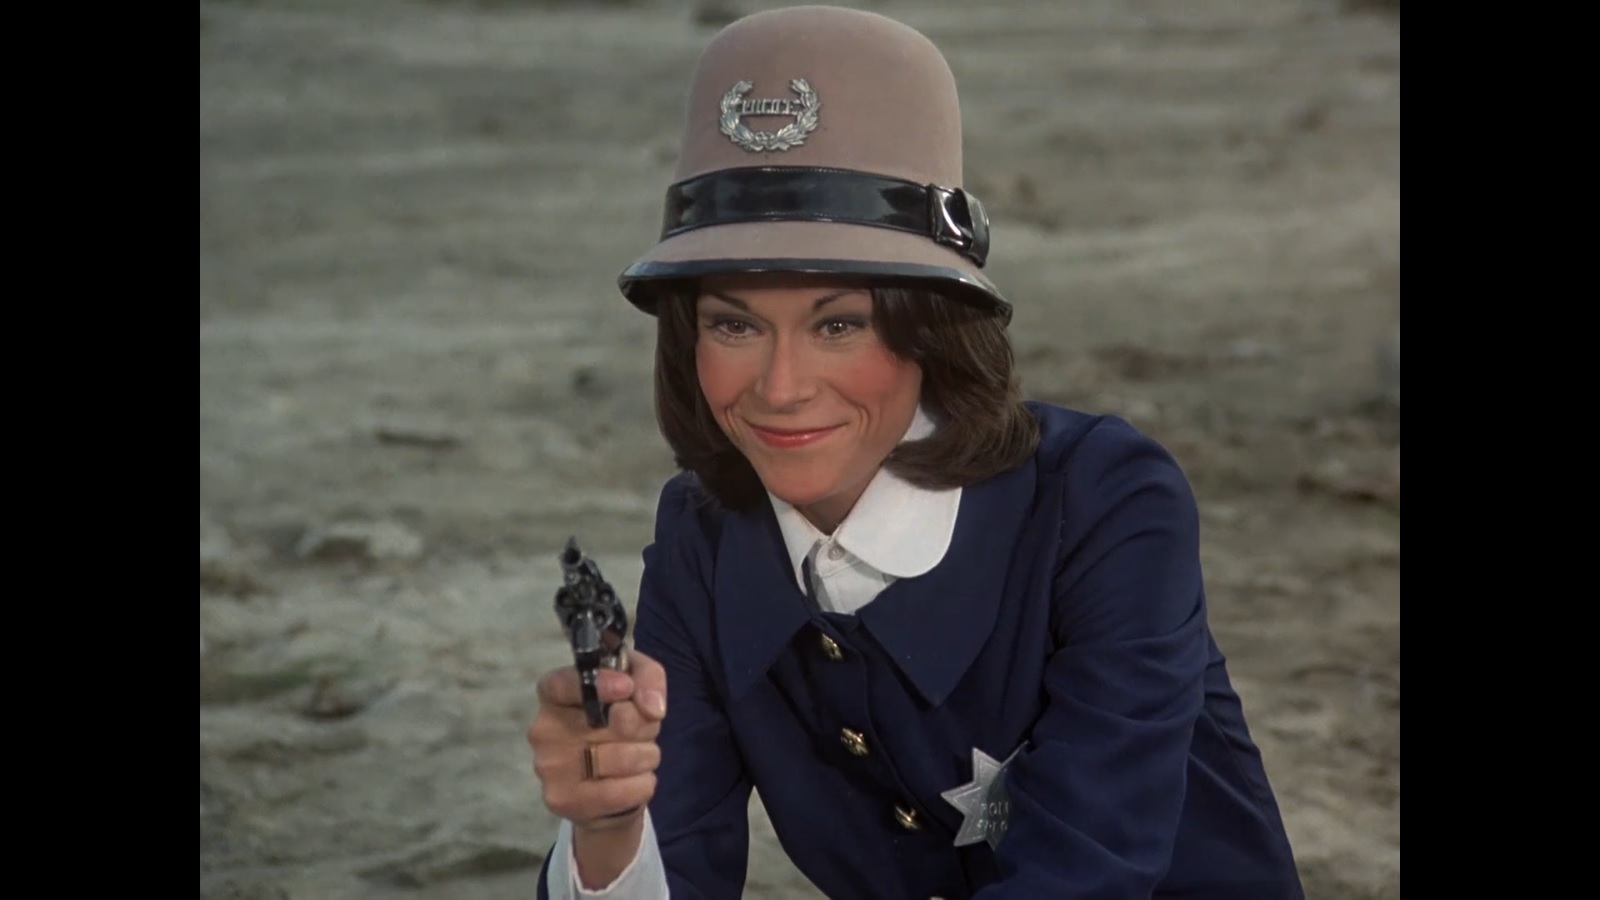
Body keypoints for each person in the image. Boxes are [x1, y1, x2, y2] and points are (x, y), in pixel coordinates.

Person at [527, 6, 1306, 898]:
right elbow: (683, 863)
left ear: (931, 327)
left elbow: (1087, 872)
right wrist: (610, 830)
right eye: (734, 325)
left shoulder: (1105, 502)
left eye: (839, 324)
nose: (781, 387)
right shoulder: (704, 539)